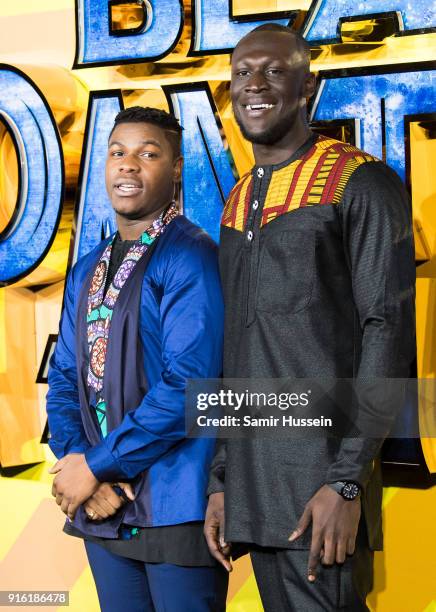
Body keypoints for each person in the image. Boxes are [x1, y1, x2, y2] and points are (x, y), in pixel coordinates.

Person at [204, 24, 416, 611]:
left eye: (274, 70)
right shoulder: (237, 198)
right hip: (252, 487)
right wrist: (223, 477)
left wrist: (347, 480)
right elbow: (238, 349)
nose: (255, 85)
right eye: (242, 73)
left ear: (308, 86)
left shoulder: (359, 180)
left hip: (321, 490)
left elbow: (386, 331)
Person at [46, 106, 227, 612]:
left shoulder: (191, 255)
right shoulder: (87, 267)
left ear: (175, 168)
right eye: (117, 153)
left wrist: (98, 465)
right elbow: (64, 376)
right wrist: (79, 464)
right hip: (102, 505)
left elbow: (189, 386)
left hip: (175, 501)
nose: (128, 165)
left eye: (148, 153)